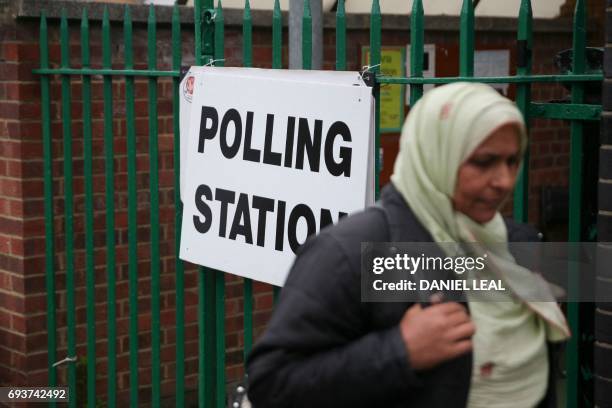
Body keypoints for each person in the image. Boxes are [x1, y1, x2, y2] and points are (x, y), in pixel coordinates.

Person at [245, 82, 570, 408]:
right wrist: (400, 351)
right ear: (434, 155)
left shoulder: (512, 246)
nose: (504, 180)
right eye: (483, 162)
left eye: (513, 161)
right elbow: (272, 384)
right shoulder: (349, 250)